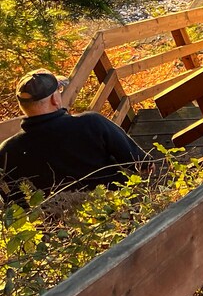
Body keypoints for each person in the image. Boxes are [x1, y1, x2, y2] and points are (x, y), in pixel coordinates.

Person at [0, 69, 149, 201]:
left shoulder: (7, 151)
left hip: (57, 227)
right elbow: (143, 164)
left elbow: (14, 201)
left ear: (21, 105)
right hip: (117, 212)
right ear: (54, 99)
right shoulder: (91, 123)